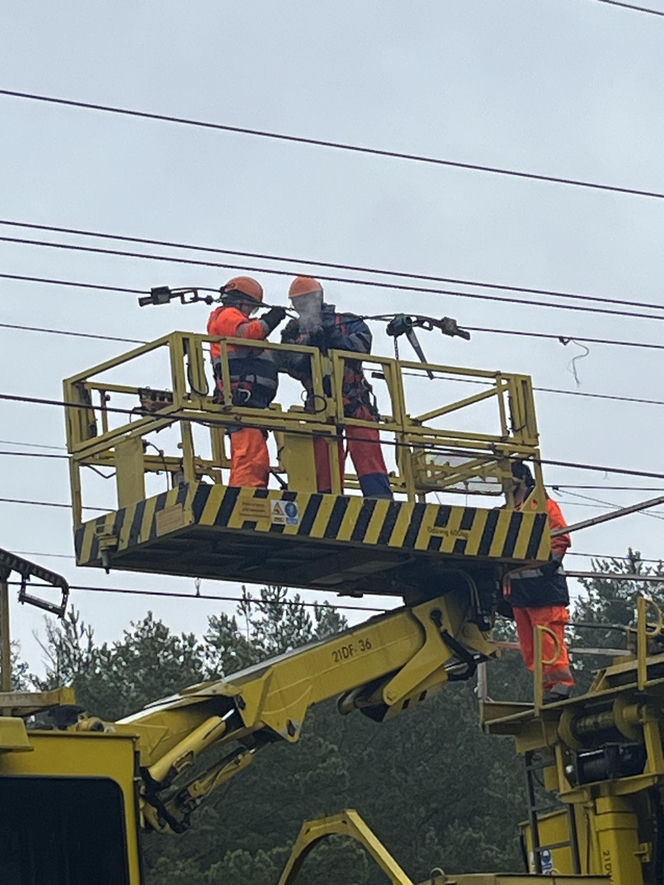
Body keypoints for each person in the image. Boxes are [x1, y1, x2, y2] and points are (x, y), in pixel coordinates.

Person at [279, 276, 392, 498]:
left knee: (366, 450)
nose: (303, 306)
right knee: (323, 455)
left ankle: (380, 500)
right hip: (320, 404)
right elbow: (290, 364)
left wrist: (331, 337)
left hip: (353, 399)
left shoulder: (347, 322)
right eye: (299, 302)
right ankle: (328, 500)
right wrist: (298, 344)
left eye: (307, 300)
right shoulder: (296, 332)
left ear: (319, 298)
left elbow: (361, 348)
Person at [506, 460, 574, 702]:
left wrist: (548, 568)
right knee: (531, 646)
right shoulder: (507, 511)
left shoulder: (541, 505)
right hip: (521, 591)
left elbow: (560, 538)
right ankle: (545, 688)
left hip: (544, 588)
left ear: (521, 479)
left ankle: (561, 684)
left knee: (547, 637)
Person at [207, 276, 286, 487]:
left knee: (254, 459)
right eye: (251, 307)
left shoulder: (235, 322)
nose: (251, 312)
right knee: (250, 459)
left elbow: (274, 357)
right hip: (243, 400)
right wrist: (272, 319)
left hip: (252, 403)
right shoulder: (227, 316)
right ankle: (245, 501)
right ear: (241, 301)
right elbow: (250, 334)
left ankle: (246, 497)